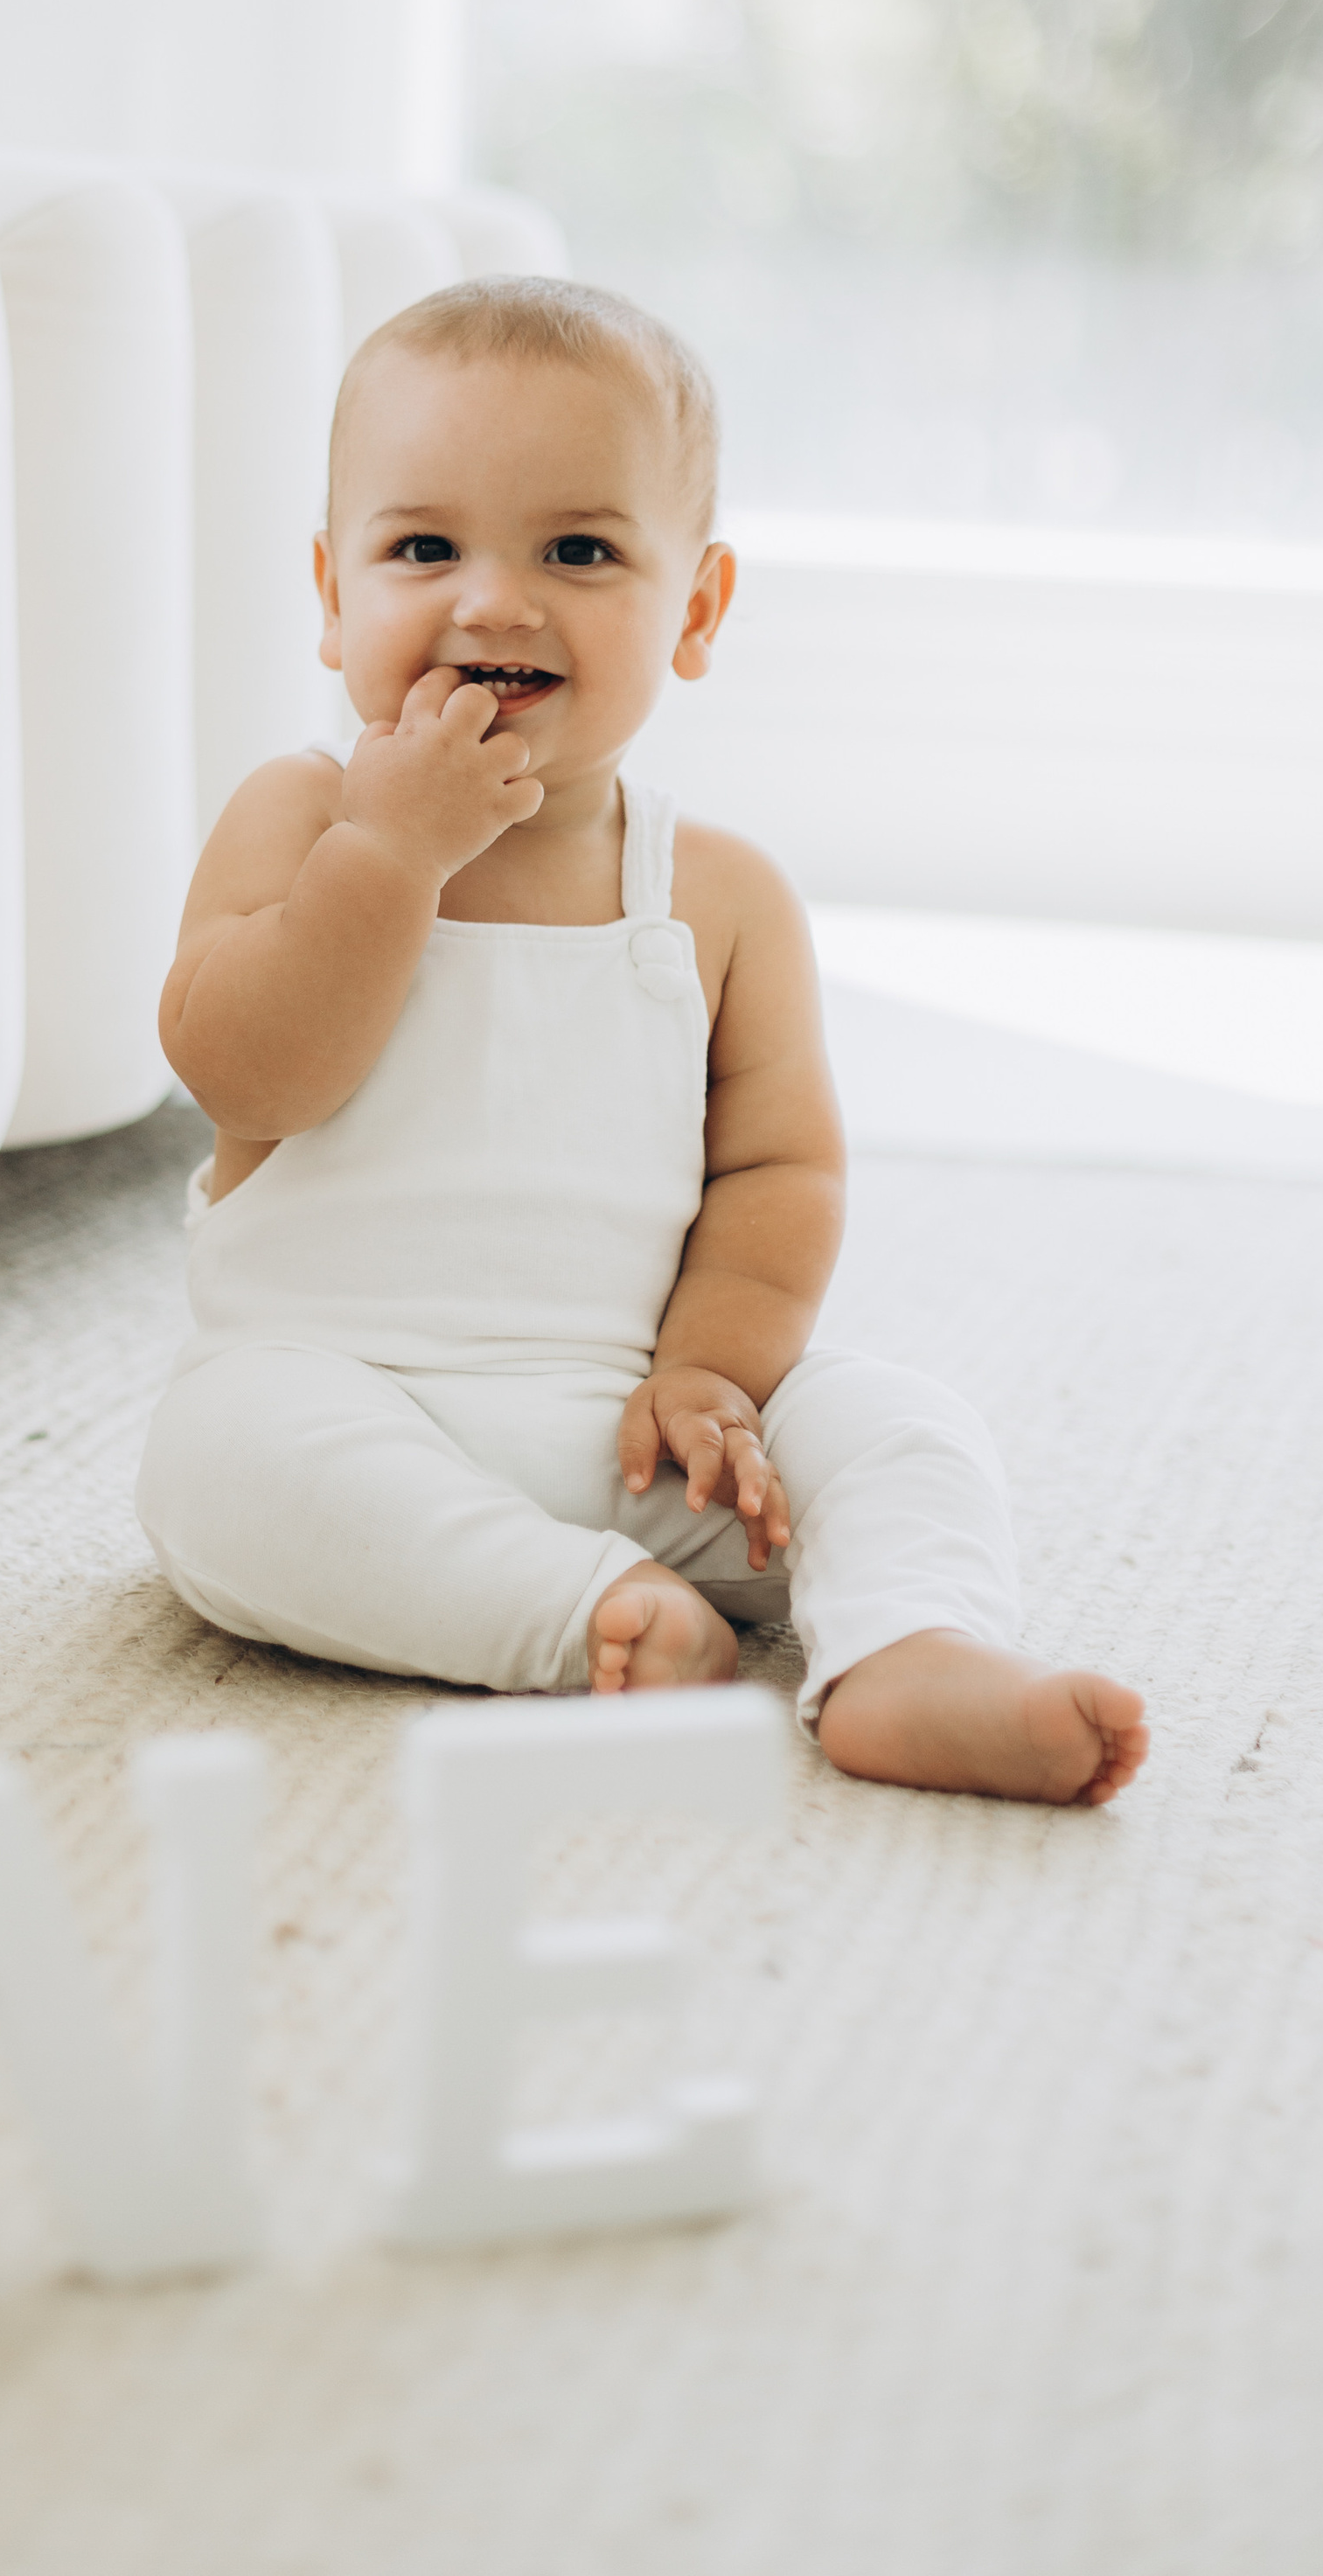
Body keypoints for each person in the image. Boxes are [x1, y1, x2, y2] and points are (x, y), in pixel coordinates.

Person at [139, 278, 1149, 1803]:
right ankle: (582, 1616)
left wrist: (714, 1377)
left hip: (640, 1430)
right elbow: (247, 1074)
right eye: (424, 548)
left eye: (580, 551)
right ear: (334, 595)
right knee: (215, 1467)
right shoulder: (301, 820)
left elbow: (777, 1173)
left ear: (694, 611)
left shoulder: (720, 896)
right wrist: (389, 862)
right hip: (342, 1390)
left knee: (897, 1425)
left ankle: (906, 1649)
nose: (491, 600)